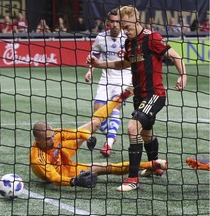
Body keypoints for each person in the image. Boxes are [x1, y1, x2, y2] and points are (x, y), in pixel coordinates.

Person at [87, 5, 187, 192]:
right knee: (146, 133)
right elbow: (124, 63)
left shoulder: (151, 38)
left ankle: (132, 179)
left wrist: (183, 75)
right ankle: (154, 165)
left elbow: (174, 56)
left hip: (155, 94)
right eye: (123, 27)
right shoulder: (129, 43)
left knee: (133, 127)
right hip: (139, 95)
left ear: (136, 21)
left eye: (127, 27)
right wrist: (99, 64)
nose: (125, 31)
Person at [30, 89, 168, 188]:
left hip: (63, 152)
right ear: (38, 141)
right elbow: (54, 178)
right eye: (48, 139)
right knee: (103, 168)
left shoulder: (54, 134)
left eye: (52, 136)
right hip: (62, 171)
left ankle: (119, 98)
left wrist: (88, 137)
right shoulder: (38, 159)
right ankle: (151, 164)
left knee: (95, 123)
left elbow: (76, 133)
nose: (52, 139)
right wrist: (74, 181)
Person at [84, 8, 132, 157]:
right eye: (112, 21)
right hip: (106, 78)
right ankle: (111, 136)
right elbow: (94, 57)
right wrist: (90, 71)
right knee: (97, 113)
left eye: (118, 21)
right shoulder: (100, 38)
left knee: (115, 106)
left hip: (124, 78)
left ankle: (108, 144)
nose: (115, 24)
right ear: (108, 23)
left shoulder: (128, 37)